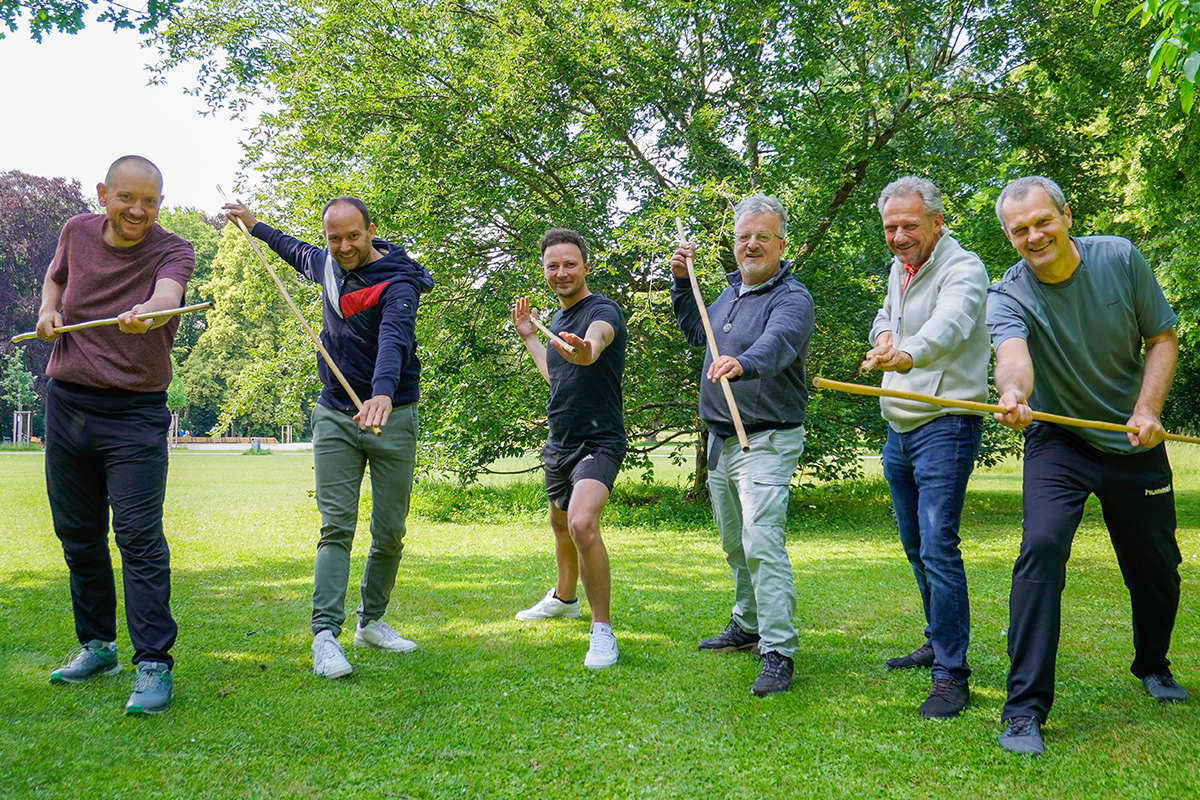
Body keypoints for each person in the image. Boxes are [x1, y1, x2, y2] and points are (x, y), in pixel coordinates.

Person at [988, 176, 1188, 756]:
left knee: (1157, 568)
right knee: (1042, 546)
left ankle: (1152, 664)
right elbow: (1012, 357)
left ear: (1066, 215)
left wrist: (1147, 408)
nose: (1033, 236)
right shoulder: (1008, 295)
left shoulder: (1119, 258)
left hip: (1134, 438)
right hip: (1060, 438)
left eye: (1041, 221)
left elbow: (1162, 337)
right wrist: (1013, 395)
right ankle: (1023, 708)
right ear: (1008, 236)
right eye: (1019, 229)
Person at [223, 196, 433, 679]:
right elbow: (292, 249)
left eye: (352, 236)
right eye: (333, 238)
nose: (343, 246)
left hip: (392, 415)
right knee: (336, 526)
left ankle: (372, 621)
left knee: (390, 531)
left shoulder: (399, 280)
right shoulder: (328, 265)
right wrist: (253, 224)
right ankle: (325, 636)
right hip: (335, 416)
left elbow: (395, 338)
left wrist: (381, 393)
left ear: (370, 231)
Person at [39, 155, 195, 715]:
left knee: (137, 536)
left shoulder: (173, 248)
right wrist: (48, 311)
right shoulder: (77, 231)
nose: (138, 210)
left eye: (150, 201)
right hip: (69, 402)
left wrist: (149, 314)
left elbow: (168, 296)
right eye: (127, 198)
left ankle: (153, 663)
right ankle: (96, 646)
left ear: (160, 202)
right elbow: (55, 278)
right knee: (78, 534)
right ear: (104, 193)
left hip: (135, 411)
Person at [670, 194, 815, 697]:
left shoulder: (792, 297)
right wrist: (682, 284)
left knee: (762, 541)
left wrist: (744, 363)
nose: (751, 244)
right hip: (720, 440)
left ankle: (778, 650)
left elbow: (779, 344)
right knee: (735, 542)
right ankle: (747, 624)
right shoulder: (728, 297)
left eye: (762, 236)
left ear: (780, 243)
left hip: (766, 440)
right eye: (743, 237)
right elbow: (697, 333)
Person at [861, 177, 991, 718]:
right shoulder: (900, 267)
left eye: (909, 225)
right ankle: (938, 640)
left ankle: (951, 674)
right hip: (901, 426)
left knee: (939, 545)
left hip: (946, 422)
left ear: (937, 221)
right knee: (917, 546)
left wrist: (908, 354)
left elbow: (952, 325)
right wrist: (883, 339)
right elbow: (886, 318)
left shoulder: (965, 267)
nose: (898, 236)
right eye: (890, 227)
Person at [511, 228, 626, 670]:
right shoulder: (555, 321)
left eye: (569, 264)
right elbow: (557, 373)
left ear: (586, 266)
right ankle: (564, 598)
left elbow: (594, 345)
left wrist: (586, 350)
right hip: (560, 438)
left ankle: (602, 630)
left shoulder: (602, 311)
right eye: (553, 266)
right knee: (560, 522)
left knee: (581, 523)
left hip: (599, 438)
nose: (561, 273)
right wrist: (529, 336)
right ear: (544, 271)